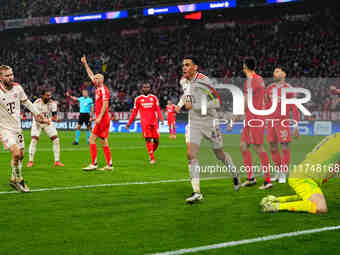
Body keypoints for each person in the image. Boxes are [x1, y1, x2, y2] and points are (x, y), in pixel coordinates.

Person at [175, 57, 240, 204]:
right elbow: (186, 95)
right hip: (194, 122)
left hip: (210, 121)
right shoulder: (183, 81)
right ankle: (197, 192)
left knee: (219, 154)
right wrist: (179, 105)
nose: (184, 68)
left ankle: (234, 172)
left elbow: (216, 101)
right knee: (190, 154)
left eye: (187, 65)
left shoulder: (204, 81)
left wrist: (195, 106)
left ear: (195, 67)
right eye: (183, 65)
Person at [261, 133, 340, 214]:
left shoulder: (334, 136)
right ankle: (275, 206)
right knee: (320, 207)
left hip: (303, 173)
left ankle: (274, 199)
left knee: (309, 197)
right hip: (303, 178)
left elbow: (318, 149)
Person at [0, 65, 46, 192]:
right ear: (1, 77)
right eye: (7, 75)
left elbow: (26, 102)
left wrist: (37, 113)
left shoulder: (17, 88)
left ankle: (13, 178)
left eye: (11, 74)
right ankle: (19, 180)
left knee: (20, 155)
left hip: (17, 127)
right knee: (15, 153)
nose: (10, 77)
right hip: (4, 129)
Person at [228, 58, 272, 190]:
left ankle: (268, 180)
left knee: (259, 148)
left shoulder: (251, 81)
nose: (242, 68)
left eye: (243, 66)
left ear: (245, 67)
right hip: (251, 118)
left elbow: (245, 103)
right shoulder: (258, 79)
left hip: (255, 118)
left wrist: (233, 120)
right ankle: (251, 178)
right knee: (243, 146)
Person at [265, 67, 299, 183]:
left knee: (285, 146)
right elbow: (266, 105)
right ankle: (278, 171)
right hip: (271, 122)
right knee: (273, 147)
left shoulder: (288, 89)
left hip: (282, 121)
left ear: (284, 74)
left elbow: (294, 108)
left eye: (278, 71)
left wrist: (295, 125)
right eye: (274, 71)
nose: (275, 73)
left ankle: (284, 172)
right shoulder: (269, 88)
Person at [81, 56, 113, 171]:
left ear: (102, 80)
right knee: (103, 141)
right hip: (102, 119)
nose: (95, 79)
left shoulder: (104, 90)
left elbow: (105, 104)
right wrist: (85, 63)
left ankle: (94, 164)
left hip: (103, 119)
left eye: (98, 78)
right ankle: (109, 165)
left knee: (92, 140)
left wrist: (98, 117)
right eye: (95, 78)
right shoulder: (97, 88)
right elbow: (90, 74)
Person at [125, 83, 164, 164]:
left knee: (156, 141)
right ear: (142, 89)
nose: (146, 88)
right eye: (144, 87)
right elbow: (134, 112)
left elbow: (158, 109)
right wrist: (129, 123)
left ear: (150, 88)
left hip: (154, 122)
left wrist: (161, 119)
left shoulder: (154, 98)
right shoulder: (138, 99)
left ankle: (151, 152)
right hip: (145, 123)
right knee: (148, 139)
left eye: (147, 87)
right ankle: (152, 158)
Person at [27, 90, 64, 167]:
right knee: (34, 140)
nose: (49, 97)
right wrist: (45, 121)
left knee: (56, 139)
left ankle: (57, 161)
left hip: (47, 122)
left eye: (50, 95)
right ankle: (30, 161)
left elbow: (54, 116)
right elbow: (36, 118)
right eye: (47, 95)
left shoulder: (53, 104)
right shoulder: (36, 103)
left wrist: (56, 119)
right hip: (37, 123)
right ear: (42, 96)